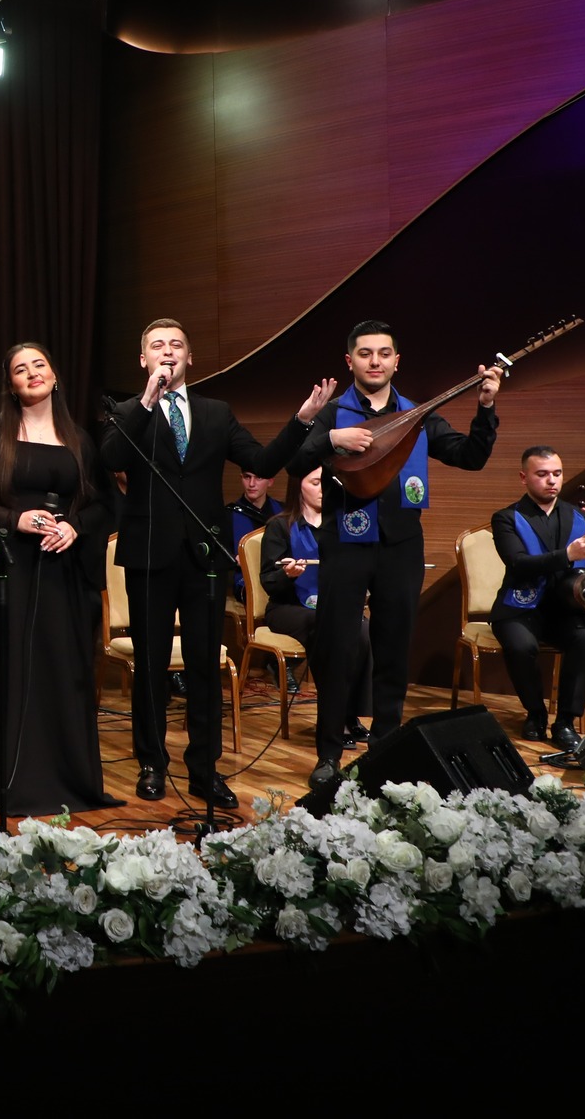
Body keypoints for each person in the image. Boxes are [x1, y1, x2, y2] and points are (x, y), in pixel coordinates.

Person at [101, 318, 336, 810]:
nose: (168, 352)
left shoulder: (215, 412)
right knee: (151, 665)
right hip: (150, 554)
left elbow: (262, 461)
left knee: (205, 664)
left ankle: (204, 769)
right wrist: (147, 401)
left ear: (191, 358)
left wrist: (302, 421)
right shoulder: (128, 411)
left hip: (204, 556)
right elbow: (113, 458)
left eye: (177, 345)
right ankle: (151, 764)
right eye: (158, 346)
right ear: (143, 360)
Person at [291, 319, 501, 788]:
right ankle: (329, 752)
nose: (375, 361)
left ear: (396, 361)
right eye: (365, 353)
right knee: (337, 649)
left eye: (384, 353)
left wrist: (486, 407)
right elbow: (296, 461)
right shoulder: (334, 412)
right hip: (344, 544)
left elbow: (470, 457)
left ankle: (385, 748)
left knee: (392, 648)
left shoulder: (418, 413)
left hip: (401, 546)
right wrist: (331, 439)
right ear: (350, 361)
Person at [0, 343, 120, 815]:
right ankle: (8, 779)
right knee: (10, 675)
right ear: (10, 385)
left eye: (39, 365)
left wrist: (74, 526)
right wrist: (15, 520)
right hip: (8, 573)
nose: (32, 373)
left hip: (63, 574)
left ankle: (64, 778)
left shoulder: (79, 439)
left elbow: (104, 504)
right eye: (20, 370)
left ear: (54, 374)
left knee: (60, 674)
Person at [489, 446, 585, 752]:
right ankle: (535, 713)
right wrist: (568, 554)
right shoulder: (506, 518)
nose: (551, 480)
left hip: (565, 609)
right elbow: (518, 563)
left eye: (557, 473)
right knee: (520, 646)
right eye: (542, 474)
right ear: (524, 477)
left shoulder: (579, 516)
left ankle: (565, 721)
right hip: (520, 608)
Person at [258, 465, 369, 743]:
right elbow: (269, 580)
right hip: (287, 607)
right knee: (325, 626)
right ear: (299, 486)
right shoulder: (280, 526)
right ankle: (332, 719)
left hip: (333, 605)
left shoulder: (341, 524)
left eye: (327, 483)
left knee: (363, 630)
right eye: (316, 483)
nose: (323, 489)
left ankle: (349, 714)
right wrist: (287, 574)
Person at [226, 470, 283, 600]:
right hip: (245, 581)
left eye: (259, 478)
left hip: (278, 576)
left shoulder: (283, 512)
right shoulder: (228, 515)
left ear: (270, 481)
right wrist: (234, 559)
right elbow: (222, 553)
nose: (251, 484)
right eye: (247, 477)